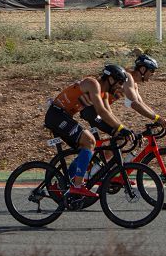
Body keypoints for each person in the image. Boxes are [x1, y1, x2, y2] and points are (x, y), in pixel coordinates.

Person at [44, 64, 132, 197]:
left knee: (87, 149)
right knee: (90, 141)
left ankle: (63, 184)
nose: (120, 87)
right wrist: (121, 128)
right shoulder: (93, 84)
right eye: (119, 82)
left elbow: (108, 112)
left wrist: (122, 129)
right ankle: (78, 185)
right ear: (111, 79)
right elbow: (101, 111)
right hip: (57, 115)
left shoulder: (102, 93)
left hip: (62, 117)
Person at [78, 54, 166, 173]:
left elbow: (140, 103)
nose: (153, 74)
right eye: (152, 70)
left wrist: (158, 118)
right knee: (121, 137)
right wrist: (157, 118)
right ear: (143, 69)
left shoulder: (134, 84)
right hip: (92, 109)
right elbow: (134, 104)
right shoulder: (127, 77)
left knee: (120, 138)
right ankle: (92, 172)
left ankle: (97, 170)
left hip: (100, 110)